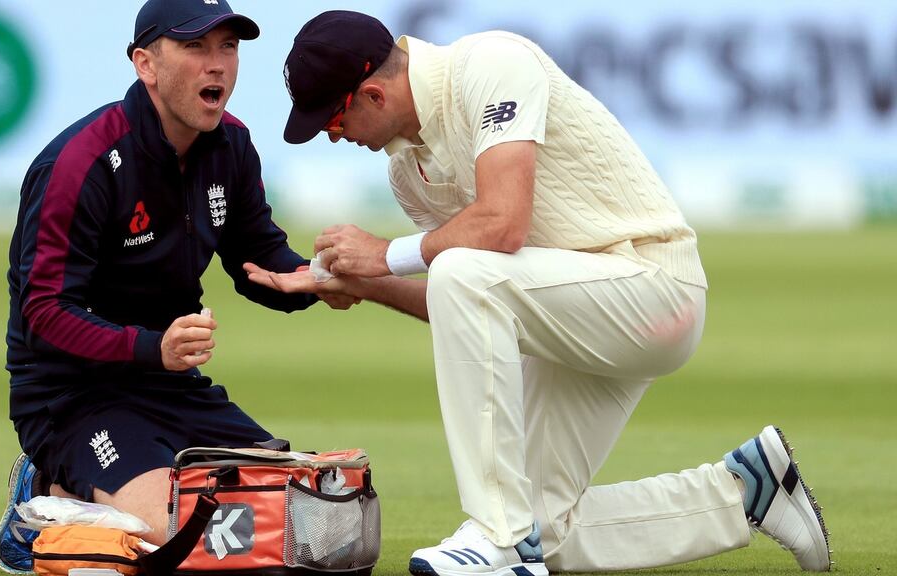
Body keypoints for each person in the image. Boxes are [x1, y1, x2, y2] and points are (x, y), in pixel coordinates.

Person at [244, 10, 833, 575]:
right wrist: (365, 283)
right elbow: (466, 305)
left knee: (462, 272)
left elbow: (501, 227)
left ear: (372, 95)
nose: (330, 134)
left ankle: (496, 536)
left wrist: (383, 255)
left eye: (332, 118)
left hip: (654, 291)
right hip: (573, 321)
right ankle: (746, 490)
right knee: (549, 532)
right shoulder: (406, 173)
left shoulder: (490, 64)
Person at [0, 1, 355, 573]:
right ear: (146, 64)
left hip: (171, 385)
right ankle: (46, 500)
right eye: (195, 47)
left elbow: (258, 257)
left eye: (228, 48)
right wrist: (149, 347)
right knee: (193, 537)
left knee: (302, 520)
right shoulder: (80, 162)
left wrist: (311, 278)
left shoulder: (231, 143)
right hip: (72, 397)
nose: (217, 66)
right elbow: (44, 310)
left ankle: (84, 494)